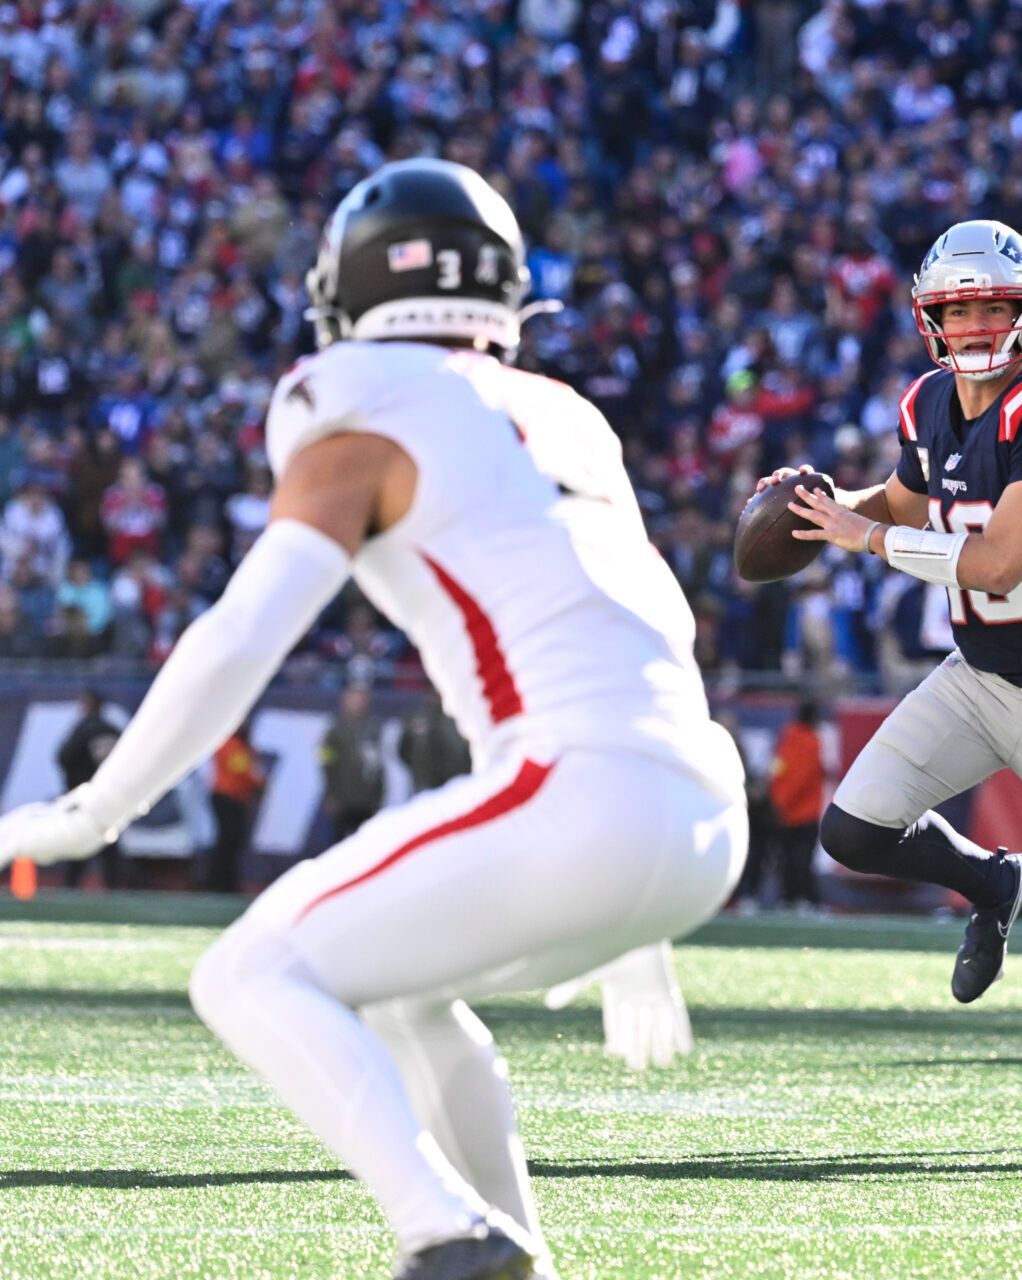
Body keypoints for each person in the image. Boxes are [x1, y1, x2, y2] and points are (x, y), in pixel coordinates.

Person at [0, 158, 746, 1280]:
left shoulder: (352, 395)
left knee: (247, 973)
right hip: (699, 799)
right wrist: (640, 932)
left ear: (350, 286)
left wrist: (102, 803)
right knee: (399, 988)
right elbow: (649, 627)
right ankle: (515, 1259)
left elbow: (244, 634)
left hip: (578, 787)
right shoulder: (566, 415)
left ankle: (445, 1227)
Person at [766, 219, 1022, 1148]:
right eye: (957, 309)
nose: (975, 327)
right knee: (851, 828)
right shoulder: (929, 401)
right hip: (978, 675)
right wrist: (820, 511)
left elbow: (1000, 559)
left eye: (994, 307)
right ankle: (987, 882)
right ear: (931, 318)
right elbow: (897, 499)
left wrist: (873, 541)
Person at [54, 690, 120, 889]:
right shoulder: (112, 729)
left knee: (79, 843)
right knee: (109, 844)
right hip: (108, 796)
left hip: (83, 795)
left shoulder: (83, 729)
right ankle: (113, 887)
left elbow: (63, 757)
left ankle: (71, 885)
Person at [765, 699, 826, 910]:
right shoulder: (811, 742)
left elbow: (778, 772)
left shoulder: (787, 738)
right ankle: (805, 899)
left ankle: (788, 898)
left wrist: (777, 802)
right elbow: (802, 778)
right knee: (802, 860)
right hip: (805, 812)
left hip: (785, 812)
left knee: (787, 858)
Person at [203, 720, 265, 894]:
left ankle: (223, 881)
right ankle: (219, 882)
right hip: (228, 797)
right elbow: (243, 771)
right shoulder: (230, 743)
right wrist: (259, 782)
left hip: (235, 798)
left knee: (230, 842)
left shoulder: (239, 744)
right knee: (228, 841)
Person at [320, 683, 386, 838]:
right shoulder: (334, 728)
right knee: (339, 842)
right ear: (345, 699)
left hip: (367, 797)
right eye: (354, 697)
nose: (358, 701)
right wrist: (331, 792)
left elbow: (378, 764)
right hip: (343, 796)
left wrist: (379, 794)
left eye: (362, 697)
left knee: (367, 844)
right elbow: (326, 762)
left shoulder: (373, 727)